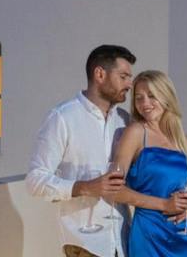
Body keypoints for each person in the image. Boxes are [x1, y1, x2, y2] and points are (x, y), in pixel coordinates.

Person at [26, 45, 137, 257]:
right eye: (123, 76)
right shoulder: (62, 118)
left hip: (123, 242)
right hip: (83, 245)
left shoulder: (124, 120)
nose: (129, 84)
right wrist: (86, 187)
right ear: (100, 74)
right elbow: (35, 180)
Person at [112, 70, 187, 256]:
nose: (145, 103)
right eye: (139, 98)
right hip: (148, 235)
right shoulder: (136, 133)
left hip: (183, 235)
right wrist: (165, 204)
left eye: (152, 96)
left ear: (166, 96)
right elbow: (115, 190)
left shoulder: (186, 143)